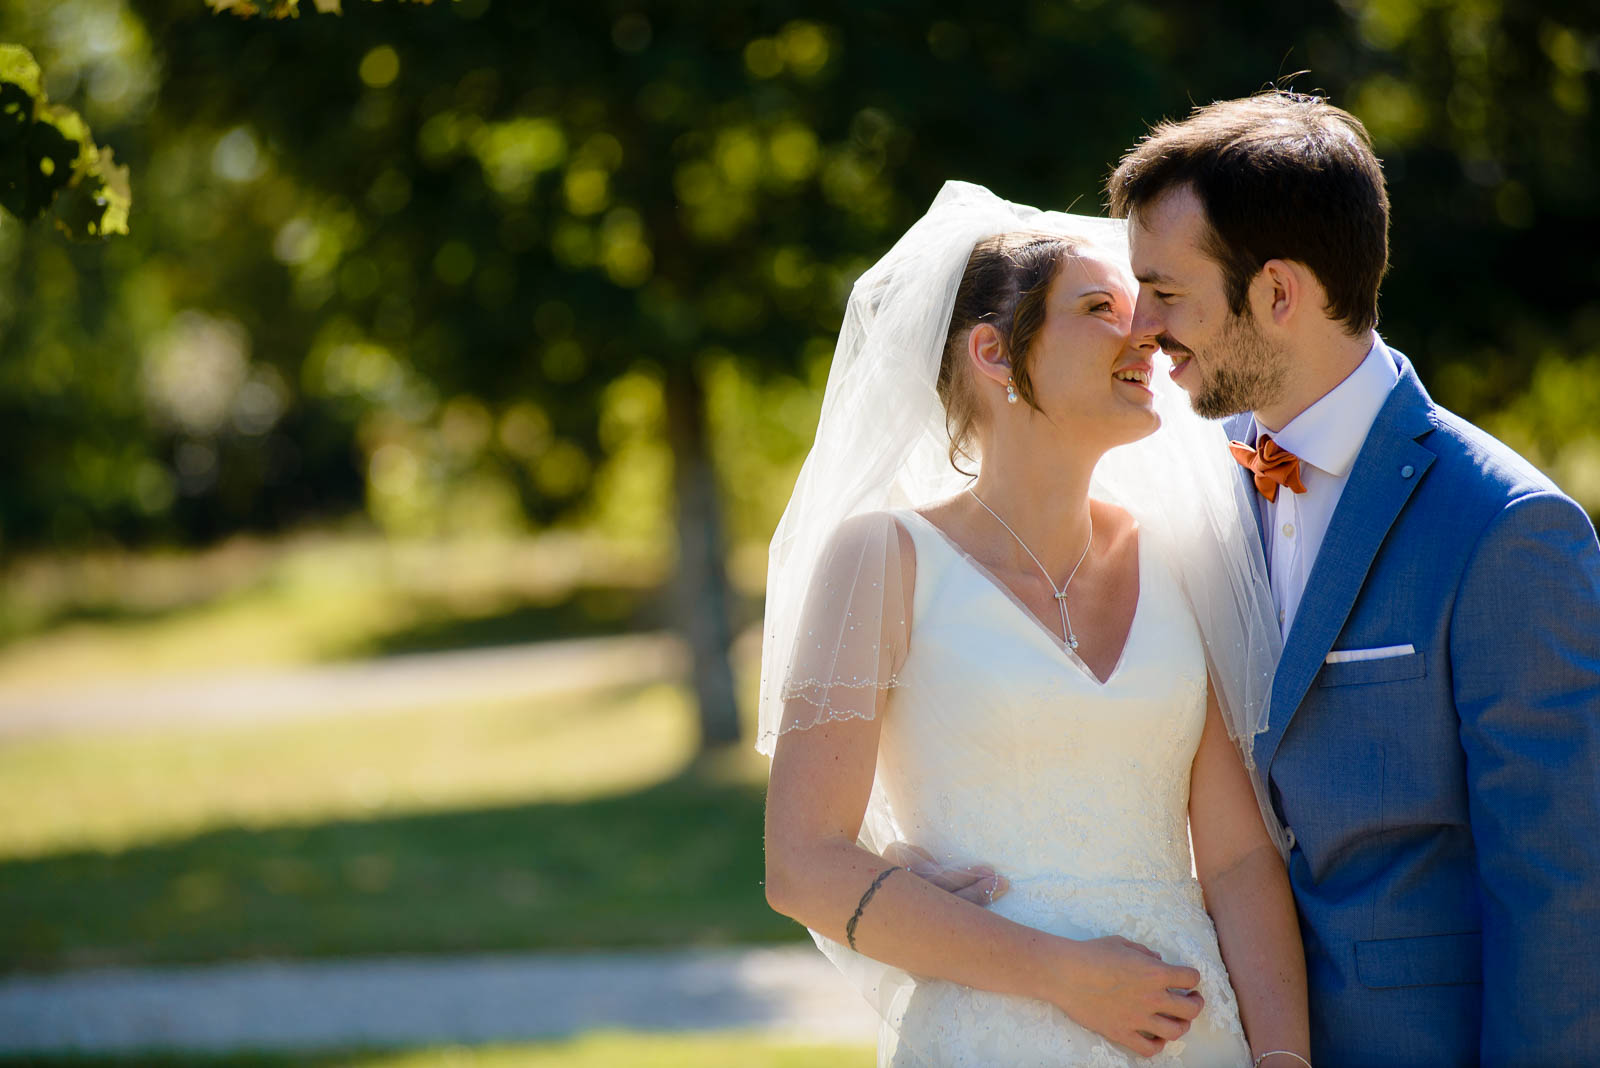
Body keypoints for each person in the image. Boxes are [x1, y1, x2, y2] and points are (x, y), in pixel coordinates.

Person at [759, 181, 1310, 1066]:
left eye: (1144, 312)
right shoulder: (883, 560)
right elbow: (803, 864)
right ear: (993, 352)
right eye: (1100, 308)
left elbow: (1241, 861)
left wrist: (1283, 1058)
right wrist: (1069, 977)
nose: (1148, 338)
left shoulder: (1181, 557)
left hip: (1193, 1039)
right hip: (988, 1037)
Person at [1108, 90, 1600, 1066]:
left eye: (1166, 291)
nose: (1139, 323)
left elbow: (1558, 887)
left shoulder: (1509, 529)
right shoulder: (1187, 480)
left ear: (1278, 293)